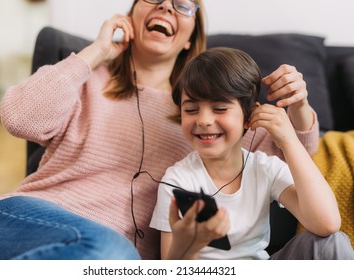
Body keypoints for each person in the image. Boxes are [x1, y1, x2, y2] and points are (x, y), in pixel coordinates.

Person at [0, 0, 318, 260]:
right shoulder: (87, 82)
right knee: (110, 251)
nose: (166, 6)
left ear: (190, 38)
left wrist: (299, 106)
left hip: (115, 262)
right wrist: (97, 51)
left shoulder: (212, 119)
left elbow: (299, 155)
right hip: (24, 223)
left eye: (182, 6)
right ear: (131, 16)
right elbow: (18, 118)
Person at [150, 47, 354, 260]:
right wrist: (187, 246)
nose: (204, 120)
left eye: (220, 108)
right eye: (191, 110)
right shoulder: (177, 181)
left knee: (332, 242)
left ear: (249, 117)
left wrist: (289, 140)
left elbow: (327, 224)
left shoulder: (265, 168)